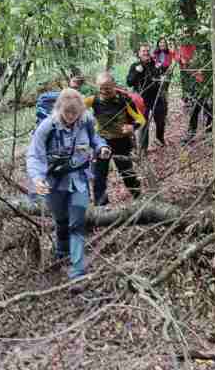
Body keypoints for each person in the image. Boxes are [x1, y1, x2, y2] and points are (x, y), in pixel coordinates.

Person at [27, 88, 111, 287]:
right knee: (61, 221)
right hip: (54, 183)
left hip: (79, 179)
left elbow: (95, 139)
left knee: (77, 225)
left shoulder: (86, 121)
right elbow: (34, 155)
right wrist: (37, 179)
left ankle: (77, 273)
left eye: (76, 113)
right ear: (60, 109)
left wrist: (102, 147)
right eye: (68, 113)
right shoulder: (47, 127)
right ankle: (62, 253)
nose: (72, 117)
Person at [85, 72, 145, 205]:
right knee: (99, 175)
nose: (104, 91)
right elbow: (75, 106)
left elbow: (141, 119)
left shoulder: (124, 101)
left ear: (114, 86)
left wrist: (132, 127)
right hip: (102, 142)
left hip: (121, 142)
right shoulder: (93, 100)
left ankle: (138, 198)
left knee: (127, 173)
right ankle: (101, 206)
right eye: (101, 88)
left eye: (107, 87)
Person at [127, 44, 167, 150]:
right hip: (142, 99)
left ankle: (159, 139)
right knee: (143, 123)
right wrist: (136, 72)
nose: (146, 53)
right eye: (143, 51)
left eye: (148, 51)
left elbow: (162, 75)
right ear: (139, 53)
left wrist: (162, 76)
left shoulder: (155, 64)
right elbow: (129, 82)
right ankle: (143, 148)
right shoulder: (135, 66)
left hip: (156, 97)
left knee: (160, 120)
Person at [182, 35, 214, 144]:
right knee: (195, 110)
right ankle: (191, 133)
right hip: (199, 89)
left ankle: (209, 133)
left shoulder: (212, 56)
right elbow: (191, 70)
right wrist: (191, 69)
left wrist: (204, 73)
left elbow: (213, 72)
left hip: (210, 89)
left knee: (210, 111)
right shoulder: (198, 56)